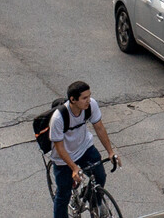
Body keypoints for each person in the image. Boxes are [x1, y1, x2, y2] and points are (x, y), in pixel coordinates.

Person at [48, 81, 119, 218]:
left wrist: (110, 152)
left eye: (89, 96)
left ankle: (95, 204)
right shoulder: (58, 118)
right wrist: (74, 168)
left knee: (100, 177)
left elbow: (99, 127)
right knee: (64, 194)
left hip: (84, 148)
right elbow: (59, 147)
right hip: (64, 157)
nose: (88, 101)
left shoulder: (91, 105)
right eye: (84, 98)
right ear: (73, 100)